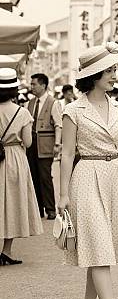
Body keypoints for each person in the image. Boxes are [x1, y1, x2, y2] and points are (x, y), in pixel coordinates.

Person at [59, 42, 118, 299]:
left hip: (114, 180)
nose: (114, 75)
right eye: (109, 70)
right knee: (100, 247)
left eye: (115, 70)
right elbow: (67, 155)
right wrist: (63, 194)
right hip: (87, 177)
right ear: (93, 75)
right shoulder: (73, 110)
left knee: (99, 249)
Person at [0, 68, 43, 265]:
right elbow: (28, 142)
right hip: (14, 158)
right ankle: (6, 250)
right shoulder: (22, 112)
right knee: (12, 202)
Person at [27, 73, 62, 220]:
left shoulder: (53, 102)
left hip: (46, 145)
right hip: (31, 144)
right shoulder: (30, 102)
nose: (32, 87)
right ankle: (38, 209)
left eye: (34, 84)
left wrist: (57, 144)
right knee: (34, 177)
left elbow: (59, 125)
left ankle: (50, 209)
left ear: (43, 85)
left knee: (45, 177)